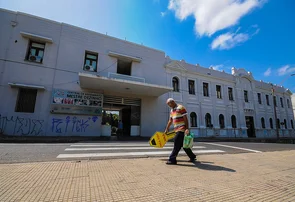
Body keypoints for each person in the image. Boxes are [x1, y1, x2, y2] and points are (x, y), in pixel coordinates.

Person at [164, 98, 196, 165]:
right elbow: (170, 120)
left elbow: (185, 119)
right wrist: (167, 129)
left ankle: (172, 159)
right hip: (176, 129)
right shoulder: (172, 110)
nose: (169, 106)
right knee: (183, 145)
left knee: (176, 144)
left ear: (172, 102)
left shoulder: (181, 108)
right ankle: (192, 156)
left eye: (169, 104)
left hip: (181, 129)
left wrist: (187, 128)